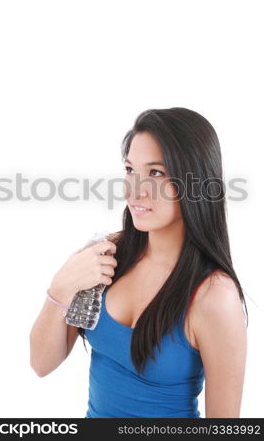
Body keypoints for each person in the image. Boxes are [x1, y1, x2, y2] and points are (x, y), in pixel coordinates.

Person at [29, 107, 248, 418]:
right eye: (130, 170)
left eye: (156, 173)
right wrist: (61, 287)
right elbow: (41, 363)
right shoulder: (108, 256)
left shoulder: (214, 297)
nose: (135, 190)